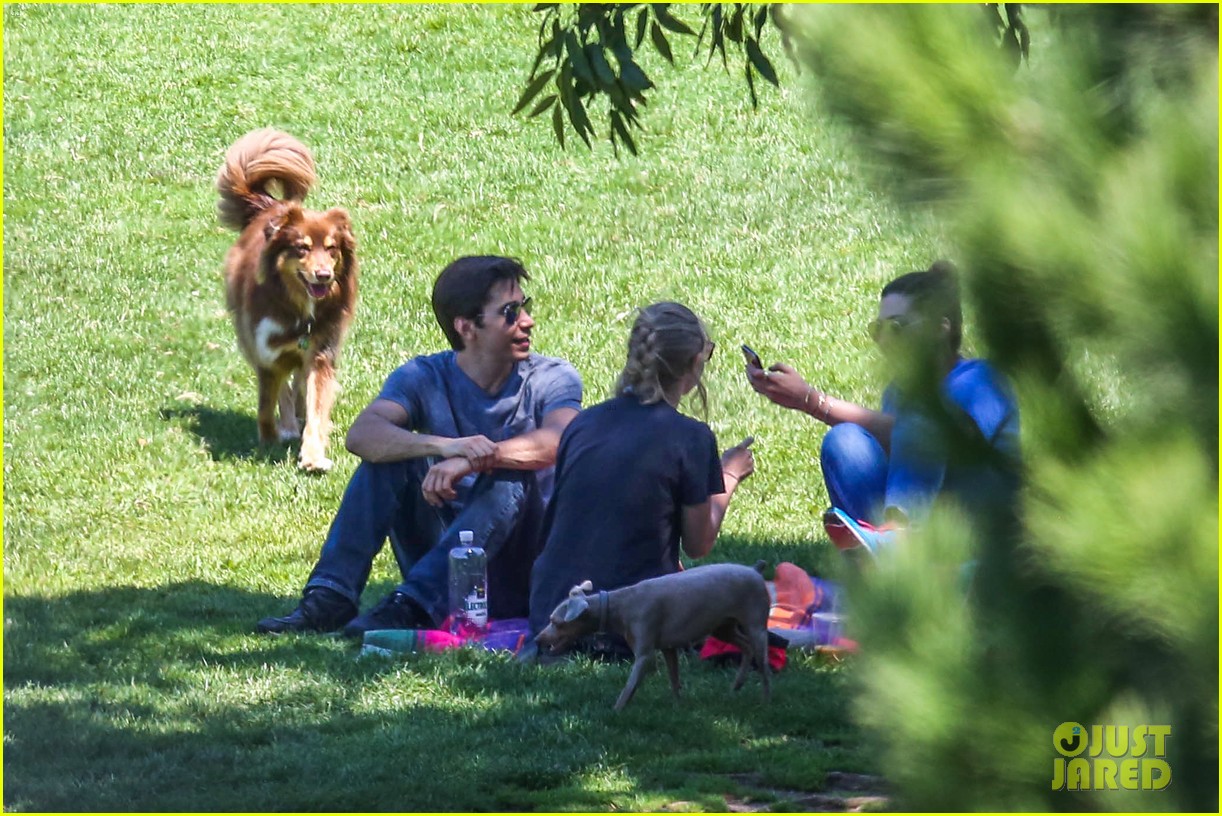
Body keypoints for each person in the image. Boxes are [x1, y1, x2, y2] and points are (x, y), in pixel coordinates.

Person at [257, 255, 583, 637]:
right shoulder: (424, 375)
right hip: (445, 556)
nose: (527, 321)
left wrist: (477, 459)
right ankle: (330, 598)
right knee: (387, 459)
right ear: (466, 327)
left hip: (522, 568)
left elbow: (561, 440)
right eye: (510, 313)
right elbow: (362, 435)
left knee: (511, 473)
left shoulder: (552, 377)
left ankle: (412, 606)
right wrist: (445, 448)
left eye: (524, 307)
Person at [526, 301, 756, 649]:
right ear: (696, 362)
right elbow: (699, 544)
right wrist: (731, 473)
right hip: (628, 626)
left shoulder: (583, 423)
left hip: (552, 612)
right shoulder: (691, 437)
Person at [747, 260, 1019, 553]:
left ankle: (895, 538)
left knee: (922, 423)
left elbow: (932, 435)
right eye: (878, 328)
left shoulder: (981, 379)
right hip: (931, 530)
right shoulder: (898, 392)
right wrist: (807, 402)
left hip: (983, 536)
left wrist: (811, 401)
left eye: (897, 327)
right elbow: (905, 454)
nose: (884, 339)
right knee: (844, 441)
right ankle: (881, 559)